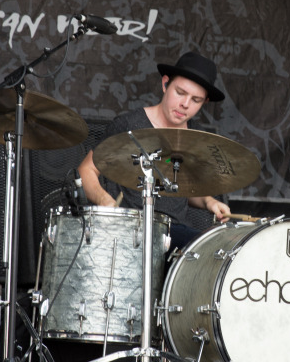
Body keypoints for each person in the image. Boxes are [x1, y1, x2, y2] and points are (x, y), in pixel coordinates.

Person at [77, 51, 231, 251]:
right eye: (180, 92)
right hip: (131, 231)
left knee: (215, 251)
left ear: (205, 102)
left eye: (195, 100)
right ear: (165, 84)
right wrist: (104, 200)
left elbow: (179, 189)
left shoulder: (195, 138)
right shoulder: (129, 125)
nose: (185, 104)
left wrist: (209, 201)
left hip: (173, 233)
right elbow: (86, 170)